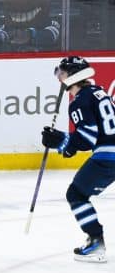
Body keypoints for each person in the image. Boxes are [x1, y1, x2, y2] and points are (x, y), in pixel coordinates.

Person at [40, 56, 115, 262]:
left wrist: (61, 141)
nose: (60, 78)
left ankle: (96, 242)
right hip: (110, 153)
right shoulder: (98, 92)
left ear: (74, 75)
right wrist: (67, 145)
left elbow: (87, 138)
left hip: (108, 157)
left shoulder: (80, 100)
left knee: (76, 194)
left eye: (63, 74)